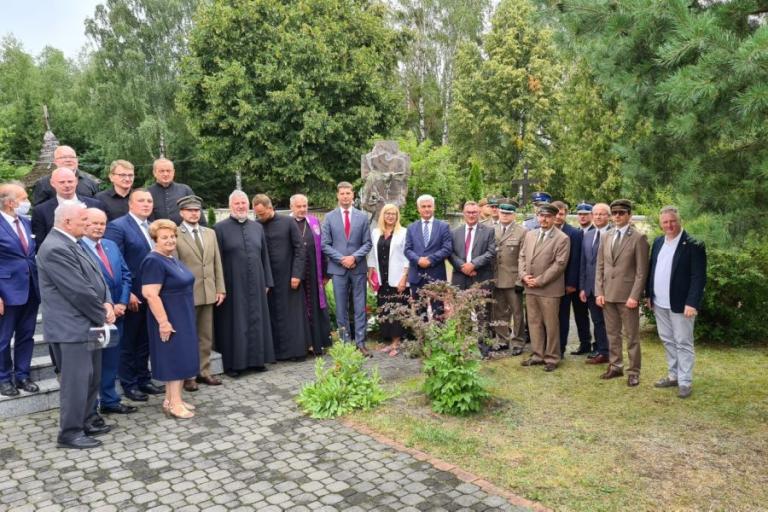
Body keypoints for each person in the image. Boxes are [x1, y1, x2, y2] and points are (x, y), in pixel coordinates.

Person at [37, 202, 115, 449]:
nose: (87, 224)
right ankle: (70, 433)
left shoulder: (72, 242)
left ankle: (89, 419)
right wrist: (102, 313)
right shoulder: (55, 248)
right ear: (67, 222)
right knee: (76, 382)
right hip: (72, 328)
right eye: (83, 220)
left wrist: (108, 301)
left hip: (88, 323)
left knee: (92, 377)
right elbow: (78, 291)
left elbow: (97, 278)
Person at [104, 189, 165, 401]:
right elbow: (114, 263)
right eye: (141, 201)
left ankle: (144, 379)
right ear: (130, 204)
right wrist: (126, 292)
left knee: (145, 340)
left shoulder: (153, 226)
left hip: (152, 295)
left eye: (149, 200)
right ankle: (129, 383)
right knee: (128, 342)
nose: (146, 204)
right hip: (132, 296)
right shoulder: (118, 227)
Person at [141, 219, 200, 419]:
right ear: (155, 239)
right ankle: (175, 404)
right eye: (164, 237)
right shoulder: (153, 261)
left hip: (183, 315)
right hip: (169, 317)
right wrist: (164, 322)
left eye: (173, 236)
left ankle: (171, 399)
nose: (170, 240)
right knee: (175, 359)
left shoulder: (171, 258)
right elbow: (150, 294)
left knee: (181, 357)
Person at [80, 208, 136, 415]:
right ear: (83, 223)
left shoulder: (110, 245)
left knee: (111, 360)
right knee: (94, 363)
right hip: (95, 317)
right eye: (94, 223)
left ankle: (110, 401)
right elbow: (83, 286)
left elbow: (125, 275)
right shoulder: (78, 249)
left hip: (117, 315)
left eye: (102, 223)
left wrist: (121, 303)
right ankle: (91, 408)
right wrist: (105, 308)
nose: (98, 227)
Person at [646, 206, 707, 399]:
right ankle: (673, 375)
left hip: (682, 304)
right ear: (660, 224)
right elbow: (652, 269)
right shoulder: (657, 242)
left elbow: (699, 277)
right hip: (660, 303)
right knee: (667, 340)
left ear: (679, 221)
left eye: (672, 220)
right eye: (665, 222)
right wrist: (649, 295)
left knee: (683, 342)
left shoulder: (693, 243)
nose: (669, 225)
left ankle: (685, 381)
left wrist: (692, 303)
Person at [214, 191, 275, 376]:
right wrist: (220, 286)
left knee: (257, 320)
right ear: (230, 205)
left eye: (243, 203)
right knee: (236, 322)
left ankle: (257, 360)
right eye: (237, 203)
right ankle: (235, 365)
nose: (241, 206)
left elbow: (264, 256)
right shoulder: (219, 228)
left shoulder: (257, 228)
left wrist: (267, 281)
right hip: (232, 284)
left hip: (256, 281)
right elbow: (217, 260)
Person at [595, 199, 650, 387]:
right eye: (615, 213)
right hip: (608, 295)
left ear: (629, 215)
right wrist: (599, 291)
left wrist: (635, 296)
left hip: (628, 297)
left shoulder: (638, 238)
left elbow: (642, 272)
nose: (617, 216)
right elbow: (600, 267)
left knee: (632, 336)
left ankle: (634, 371)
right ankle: (615, 366)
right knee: (612, 334)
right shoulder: (606, 236)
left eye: (621, 213)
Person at [174, 195, 226, 391]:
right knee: (187, 336)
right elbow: (175, 267)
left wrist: (220, 288)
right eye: (190, 210)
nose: (194, 213)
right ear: (182, 213)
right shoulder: (175, 233)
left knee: (205, 335)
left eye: (197, 210)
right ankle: (188, 375)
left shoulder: (209, 233)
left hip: (208, 292)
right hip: (187, 294)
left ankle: (204, 371)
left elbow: (216, 263)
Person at [253, 194, 311, 361]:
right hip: (268, 280)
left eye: (262, 213)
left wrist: (296, 274)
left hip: (289, 277)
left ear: (271, 208)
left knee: (293, 316)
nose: (260, 217)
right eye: (257, 214)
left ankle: (297, 352)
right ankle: (276, 353)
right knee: (272, 316)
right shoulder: (256, 226)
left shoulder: (288, 222)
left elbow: (300, 249)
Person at [321, 182, 373, 356]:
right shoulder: (329, 217)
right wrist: (342, 259)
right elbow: (325, 244)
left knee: (359, 306)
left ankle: (360, 343)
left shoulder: (362, 217)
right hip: (338, 269)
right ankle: (345, 343)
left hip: (358, 268)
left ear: (353, 195)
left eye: (348, 193)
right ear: (338, 195)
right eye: (342, 193)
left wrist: (354, 257)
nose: (345, 196)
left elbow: (367, 243)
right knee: (341, 308)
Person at [518, 203, 570, 372]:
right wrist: (523, 275)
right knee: (533, 322)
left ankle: (552, 358)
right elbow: (522, 256)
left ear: (555, 218)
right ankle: (537, 355)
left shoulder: (562, 238)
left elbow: (559, 265)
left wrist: (539, 280)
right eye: (541, 216)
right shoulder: (530, 234)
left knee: (551, 324)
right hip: (530, 286)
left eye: (548, 216)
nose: (544, 219)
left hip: (549, 289)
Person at [0, 182, 40, 397]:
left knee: (27, 335)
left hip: (31, 287)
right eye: (24, 198)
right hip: (6, 290)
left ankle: (22, 375)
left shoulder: (25, 222)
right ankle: (4, 379)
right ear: (10, 203)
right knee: (3, 338)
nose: (27, 203)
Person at [450, 201, 496, 353]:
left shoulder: (488, 231)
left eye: (474, 212)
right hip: (460, 277)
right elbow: (450, 253)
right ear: (464, 213)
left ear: (479, 213)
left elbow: (490, 252)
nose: (471, 215)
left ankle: (484, 348)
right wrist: (463, 267)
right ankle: (464, 346)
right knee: (462, 313)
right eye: (468, 212)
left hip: (480, 277)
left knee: (482, 313)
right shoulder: (455, 232)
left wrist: (473, 265)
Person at [289, 194, 331, 356]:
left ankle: (317, 342)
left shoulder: (313, 222)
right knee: (299, 309)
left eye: (305, 206)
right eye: (299, 206)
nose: (302, 209)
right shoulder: (287, 223)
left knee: (315, 307)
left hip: (314, 271)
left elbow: (321, 247)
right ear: (292, 207)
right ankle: (304, 343)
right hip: (295, 274)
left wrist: (325, 272)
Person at [367, 203, 409, 357]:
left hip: (397, 279)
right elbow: (372, 253)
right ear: (382, 216)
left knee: (398, 310)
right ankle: (390, 341)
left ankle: (396, 343)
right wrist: (370, 272)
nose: (390, 216)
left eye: (393, 214)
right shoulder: (376, 232)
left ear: (397, 216)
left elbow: (407, 257)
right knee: (385, 309)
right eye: (387, 213)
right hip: (382, 278)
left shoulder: (403, 232)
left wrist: (404, 278)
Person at [31, 167, 105, 250]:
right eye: (62, 182)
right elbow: (41, 243)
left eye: (70, 181)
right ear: (52, 183)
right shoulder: (41, 211)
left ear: (76, 181)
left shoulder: (95, 204)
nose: (67, 185)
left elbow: (103, 234)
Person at [552, 201, 590, 357]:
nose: (558, 217)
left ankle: (562, 348)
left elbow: (576, 260)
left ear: (566, 214)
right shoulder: (546, 231)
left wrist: (571, 283)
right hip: (552, 283)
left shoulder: (574, 233)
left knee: (567, 317)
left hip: (569, 284)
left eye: (561, 214)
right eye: (556, 213)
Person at [404, 194, 452, 309]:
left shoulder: (443, 226)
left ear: (434, 207)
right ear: (418, 209)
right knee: (420, 315)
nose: (426, 209)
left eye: (429, 206)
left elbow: (447, 248)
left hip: (436, 276)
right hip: (417, 276)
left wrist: (430, 259)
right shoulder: (411, 227)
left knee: (438, 314)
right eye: (423, 206)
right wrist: (418, 260)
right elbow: (407, 249)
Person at [492, 202, 527, 356]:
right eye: (502, 213)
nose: (505, 216)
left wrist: (520, 280)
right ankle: (502, 339)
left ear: (514, 215)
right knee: (499, 311)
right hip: (496, 278)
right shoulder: (491, 230)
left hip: (513, 279)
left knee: (517, 312)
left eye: (508, 214)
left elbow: (523, 257)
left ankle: (518, 341)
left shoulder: (522, 232)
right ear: (498, 213)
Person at [578, 203, 611, 365]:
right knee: (597, 321)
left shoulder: (613, 234)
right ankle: (602, 351)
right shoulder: (588, 235)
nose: (598, 217)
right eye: (595, 214)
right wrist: (583, 287)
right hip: (590, 288)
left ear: (608, 216)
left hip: (608, 288)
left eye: (602, 214)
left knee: (609, 322)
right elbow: (584, 263)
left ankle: (608, 351)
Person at [32, 146, 100, 205]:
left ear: (77, 160)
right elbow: (39, 211)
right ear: (55, 161)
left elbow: (97, 207)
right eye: (63, 157)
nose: (68, 160)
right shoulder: (43, 183)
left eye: (72, 157)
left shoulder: (90, 181)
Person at [148, 158, 203, 226]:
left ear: (173, 172)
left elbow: (198, 213)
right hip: (156, 234)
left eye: (168, 171)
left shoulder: (185, 190)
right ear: (154, 173)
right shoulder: (147, 193)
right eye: (162, 171)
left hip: (184, 234)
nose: (166, 174)